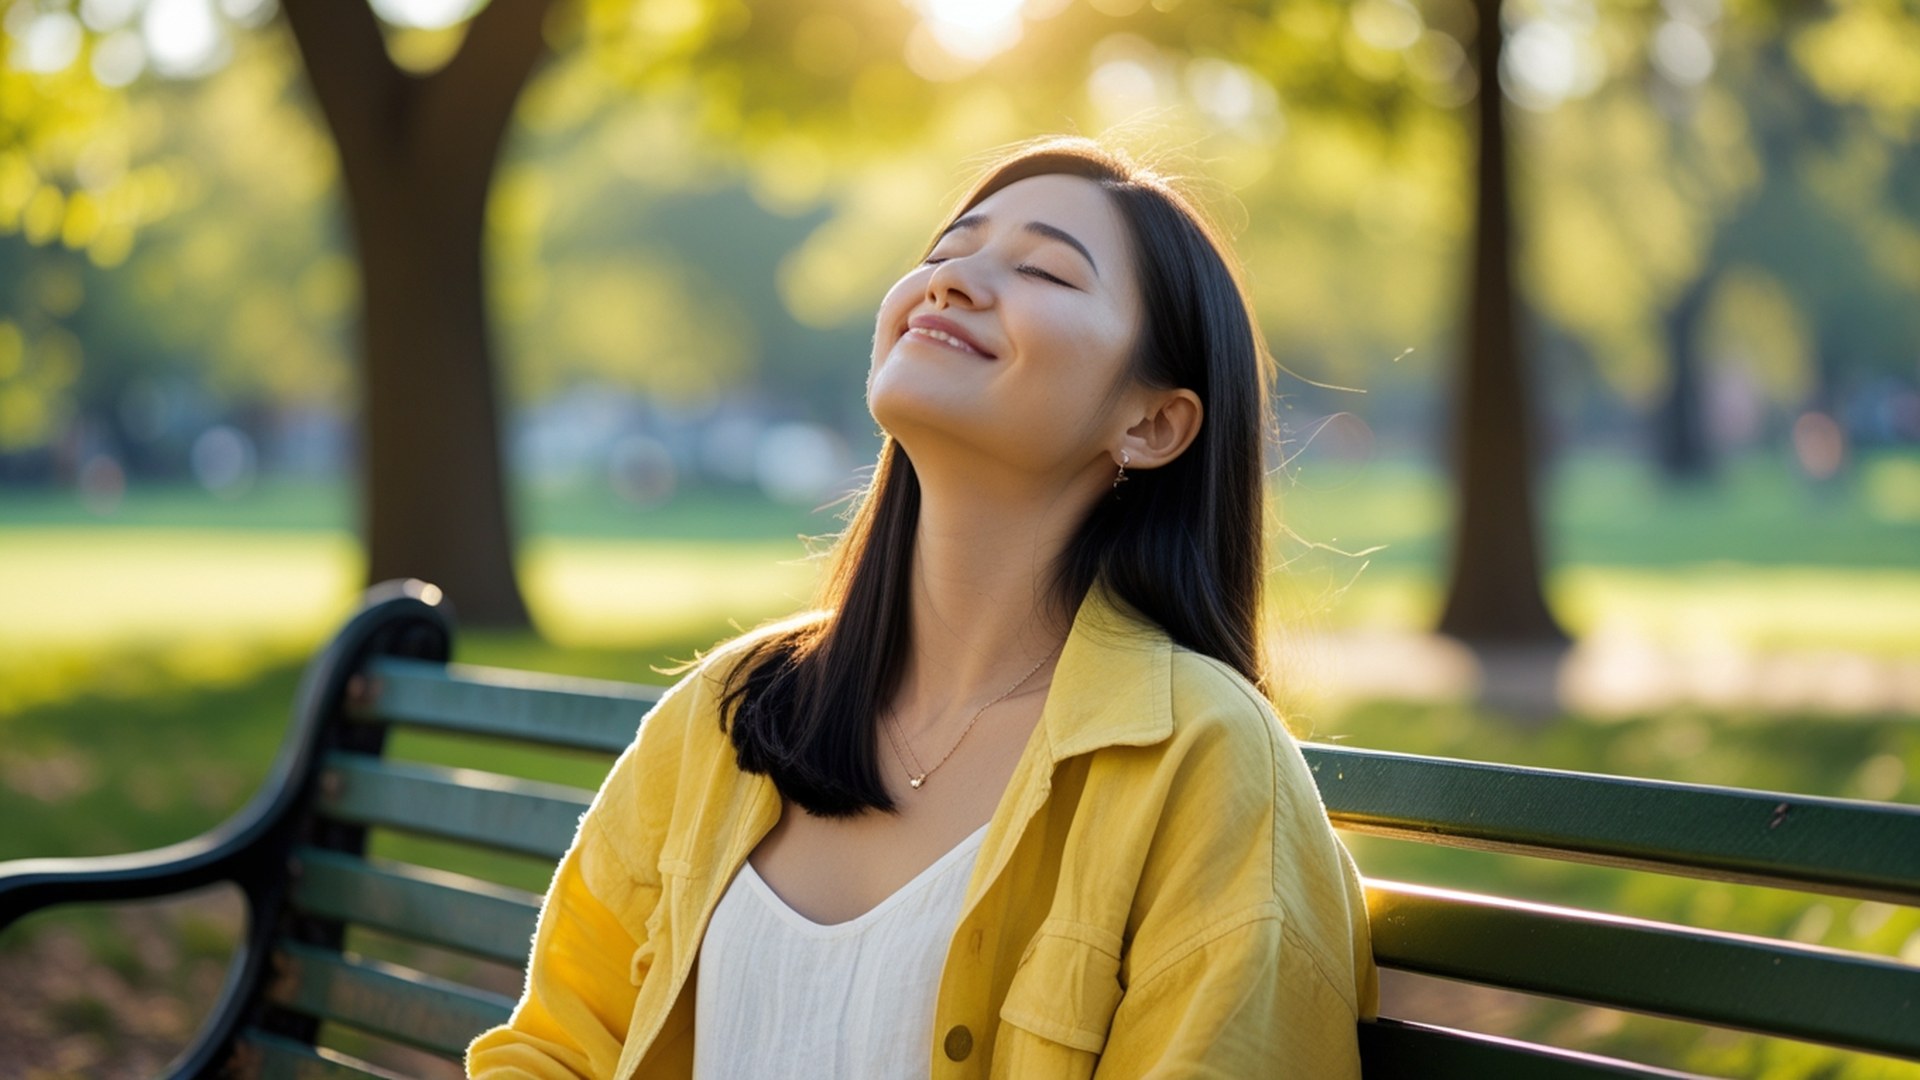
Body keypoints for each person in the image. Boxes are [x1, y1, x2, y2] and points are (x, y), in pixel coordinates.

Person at [466, 135, 1379, 1080]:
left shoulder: (1204, 762)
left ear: (1151, 425)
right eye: (944, 254)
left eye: (1043, 271)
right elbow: (554, 1048)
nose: (952, 283)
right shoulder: (729, 711)